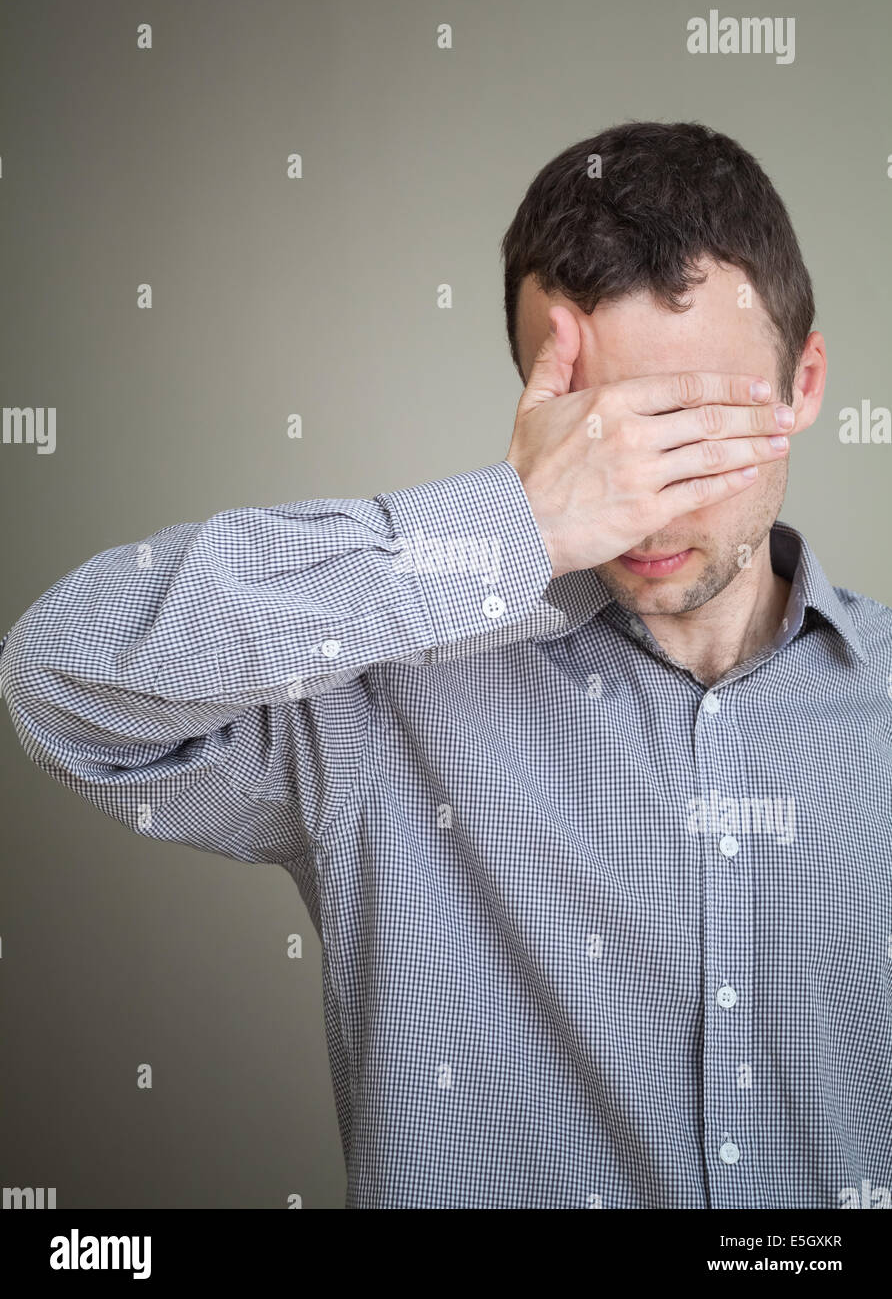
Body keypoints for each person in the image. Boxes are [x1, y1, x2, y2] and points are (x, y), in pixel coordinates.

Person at [3, 121, 890, 1210]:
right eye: (589, 436)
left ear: (801, 385)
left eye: (685, 428)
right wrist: (503, 529)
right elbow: (58, 676)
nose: (637, 499)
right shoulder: (385, 697)